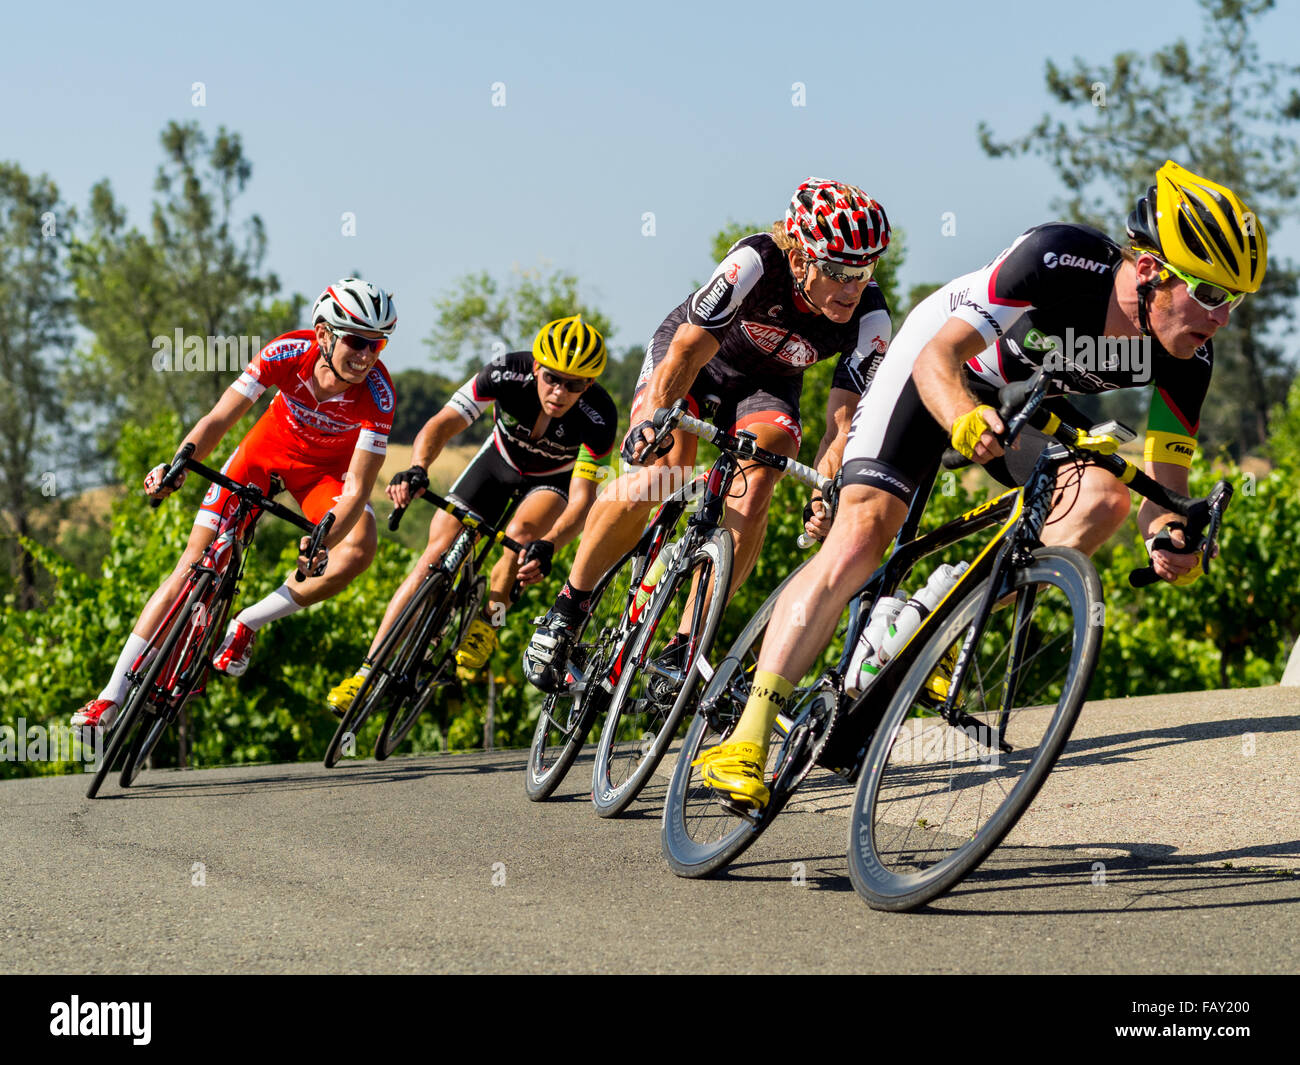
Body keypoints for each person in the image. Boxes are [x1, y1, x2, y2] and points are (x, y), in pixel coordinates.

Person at [696, 159, 1268, 809]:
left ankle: (939, 614)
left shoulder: (1188, 356)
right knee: (860, 538)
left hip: (1018, 412)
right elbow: (941, 356)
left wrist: (1169, 534)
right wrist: (963, 416)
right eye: (1212, 293)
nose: (1223, 317)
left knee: (1104, 495)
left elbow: (1163, 487)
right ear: (1148, 271)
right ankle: (746, 736)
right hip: (936, 373)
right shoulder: (1060, 259)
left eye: (1236, 300)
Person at [523, 178, 894, 694]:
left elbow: (842, 425)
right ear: (802, 256)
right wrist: (652, 418)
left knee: (764, 472)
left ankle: (684, 643)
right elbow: (685, 352)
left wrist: (824, 489)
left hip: (766, 387)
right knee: (664, 472)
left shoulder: (871, 319)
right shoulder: (755, 264)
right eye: (837, 272)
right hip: (698, 364)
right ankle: (568, 608)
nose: (852, 288)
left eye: (864, 271)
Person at [71, 278, 399, 735]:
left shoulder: (379, 395)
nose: (367, 356)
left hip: (323, 477)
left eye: (378, 344)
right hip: (261, 456)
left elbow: (360, 487)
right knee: (190, 564)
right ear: (324, 334)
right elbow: (220, 418)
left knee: (360, 546)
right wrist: (179, 464)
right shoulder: (286, 352)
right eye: (357, 341)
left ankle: (247, 622)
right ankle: (110, 696)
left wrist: (325, 540)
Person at [326, 315, 617, 712]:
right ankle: (365, 672)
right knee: (435, 552)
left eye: (575, 384)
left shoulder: (600, 415)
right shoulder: (506, 372)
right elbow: (443, 423)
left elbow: (583, 499)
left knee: (522, 533)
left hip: (550, 483)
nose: (560, 391)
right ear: (536, 367)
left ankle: (489, 622)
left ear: (590, 384)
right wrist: (418, 468)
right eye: (552, 378)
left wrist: (550, 545)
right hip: (496, 464)